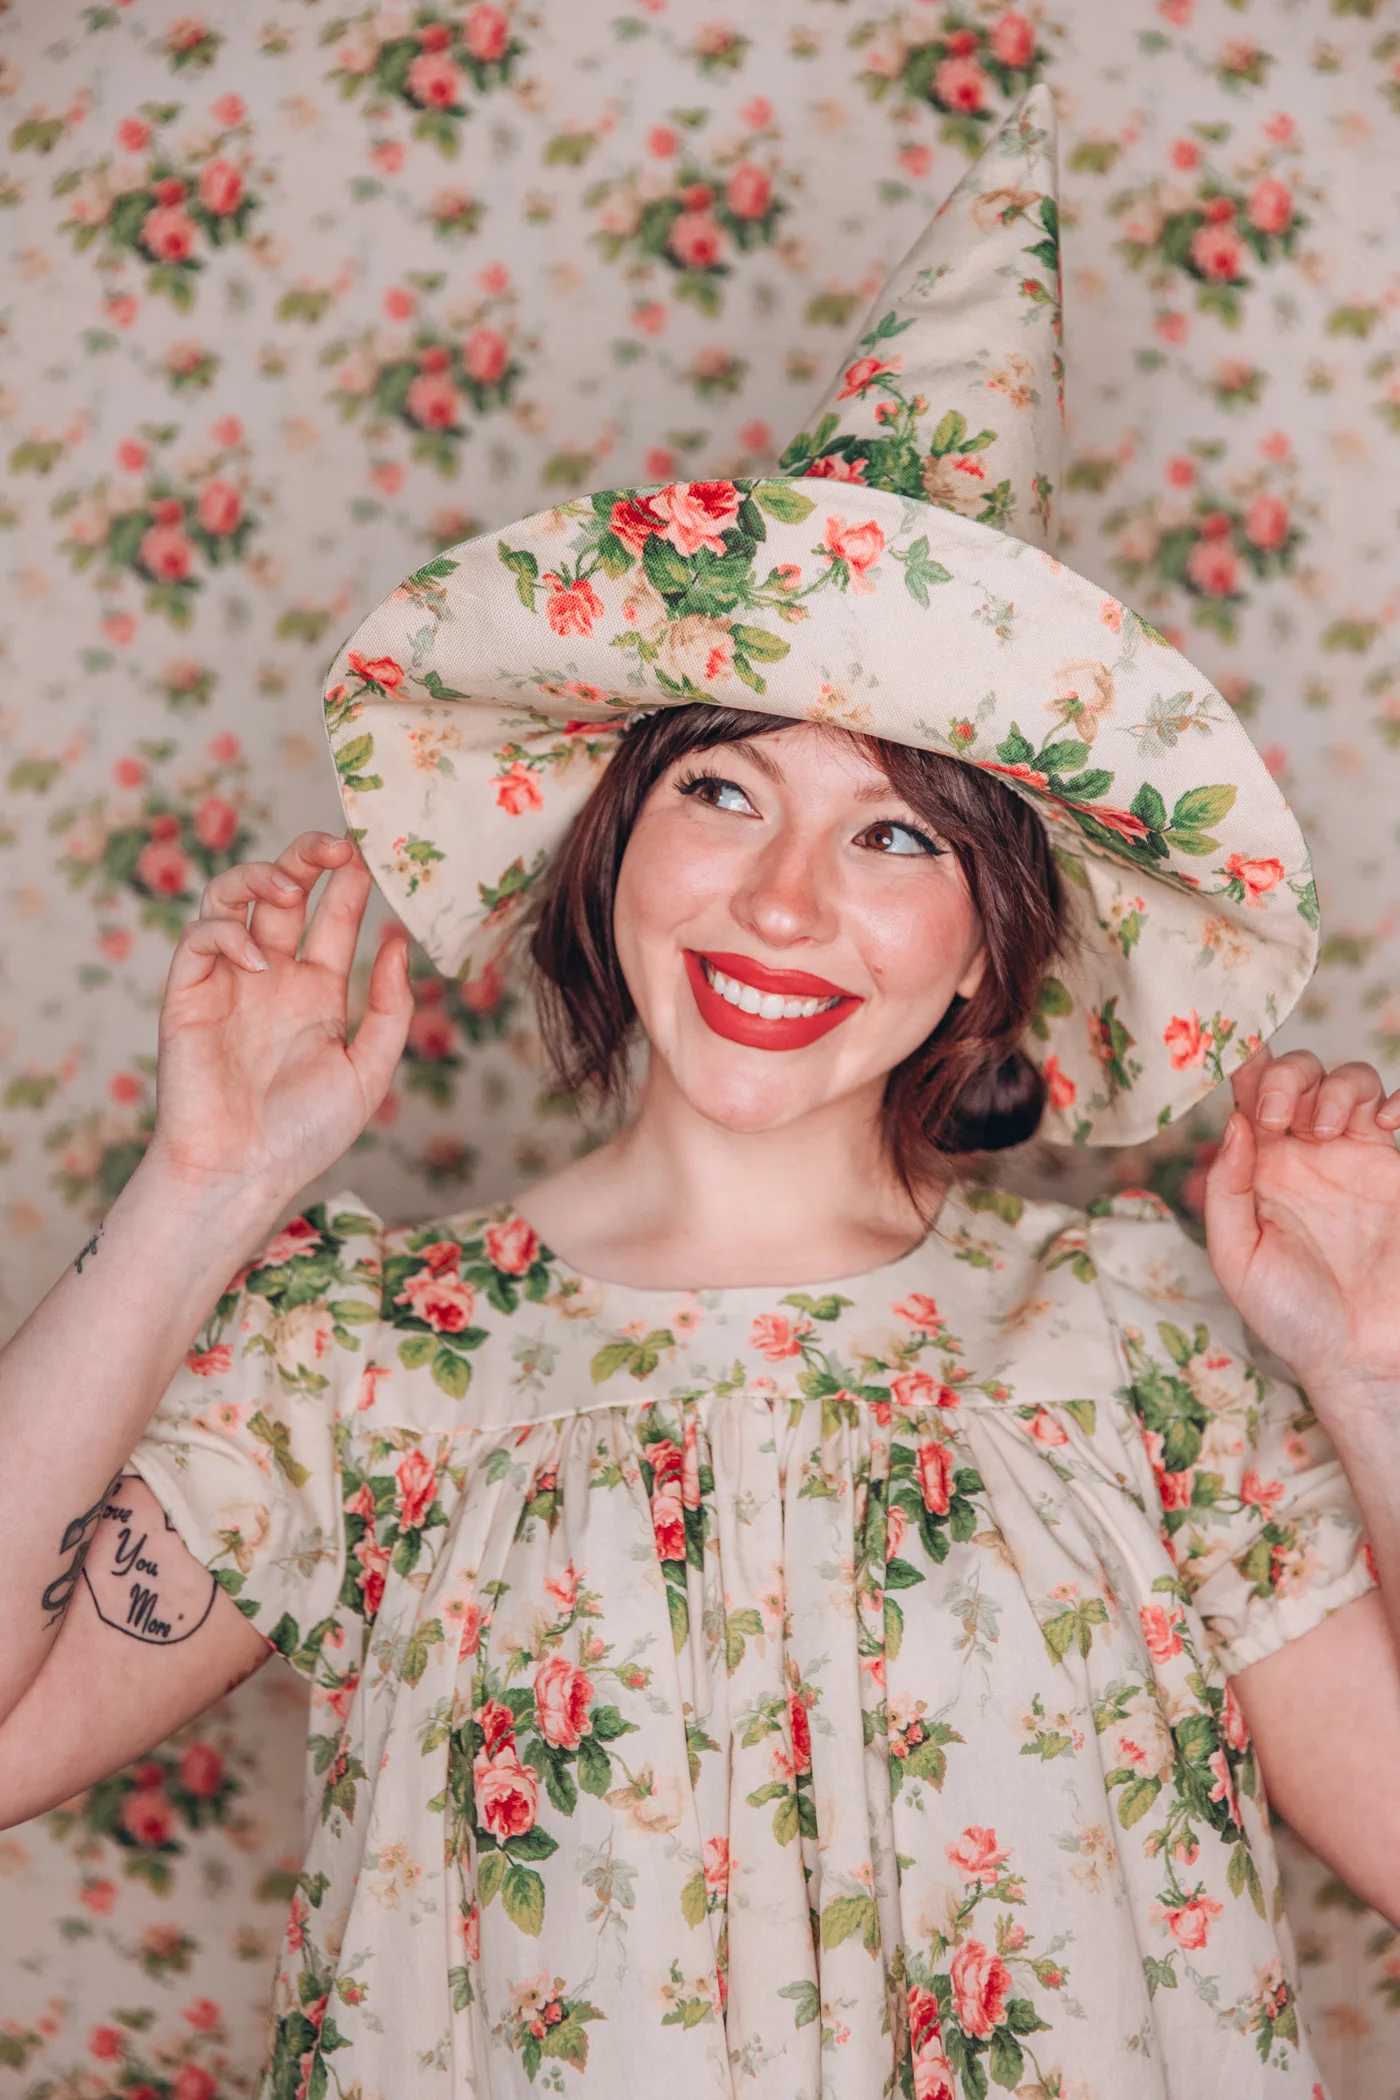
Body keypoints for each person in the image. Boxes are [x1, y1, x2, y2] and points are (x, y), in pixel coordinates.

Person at [2, 85, 1399, 2098]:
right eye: (721, 791)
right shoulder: (364, 1356)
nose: (779, 901)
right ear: (608, 843)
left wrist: (1362, 1374)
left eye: (897, 839)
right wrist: (201, 1189)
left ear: (995, 949)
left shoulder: (1137, 1350)